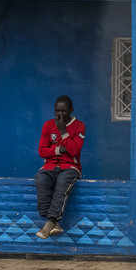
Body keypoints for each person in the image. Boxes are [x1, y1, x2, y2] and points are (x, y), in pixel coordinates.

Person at [35, 95, 85, 240]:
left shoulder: (79, 126)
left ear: (71, 110)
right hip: (50, 165)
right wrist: (59, 150)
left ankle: (50, 223)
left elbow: (75, 150)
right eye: (57, 111)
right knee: (40, 179)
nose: (60, 114)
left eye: (63, 111)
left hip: (70, 166)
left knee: (62, 183)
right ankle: (52, 221)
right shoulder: (48, 125)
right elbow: (42, 151)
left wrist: (63, 131)